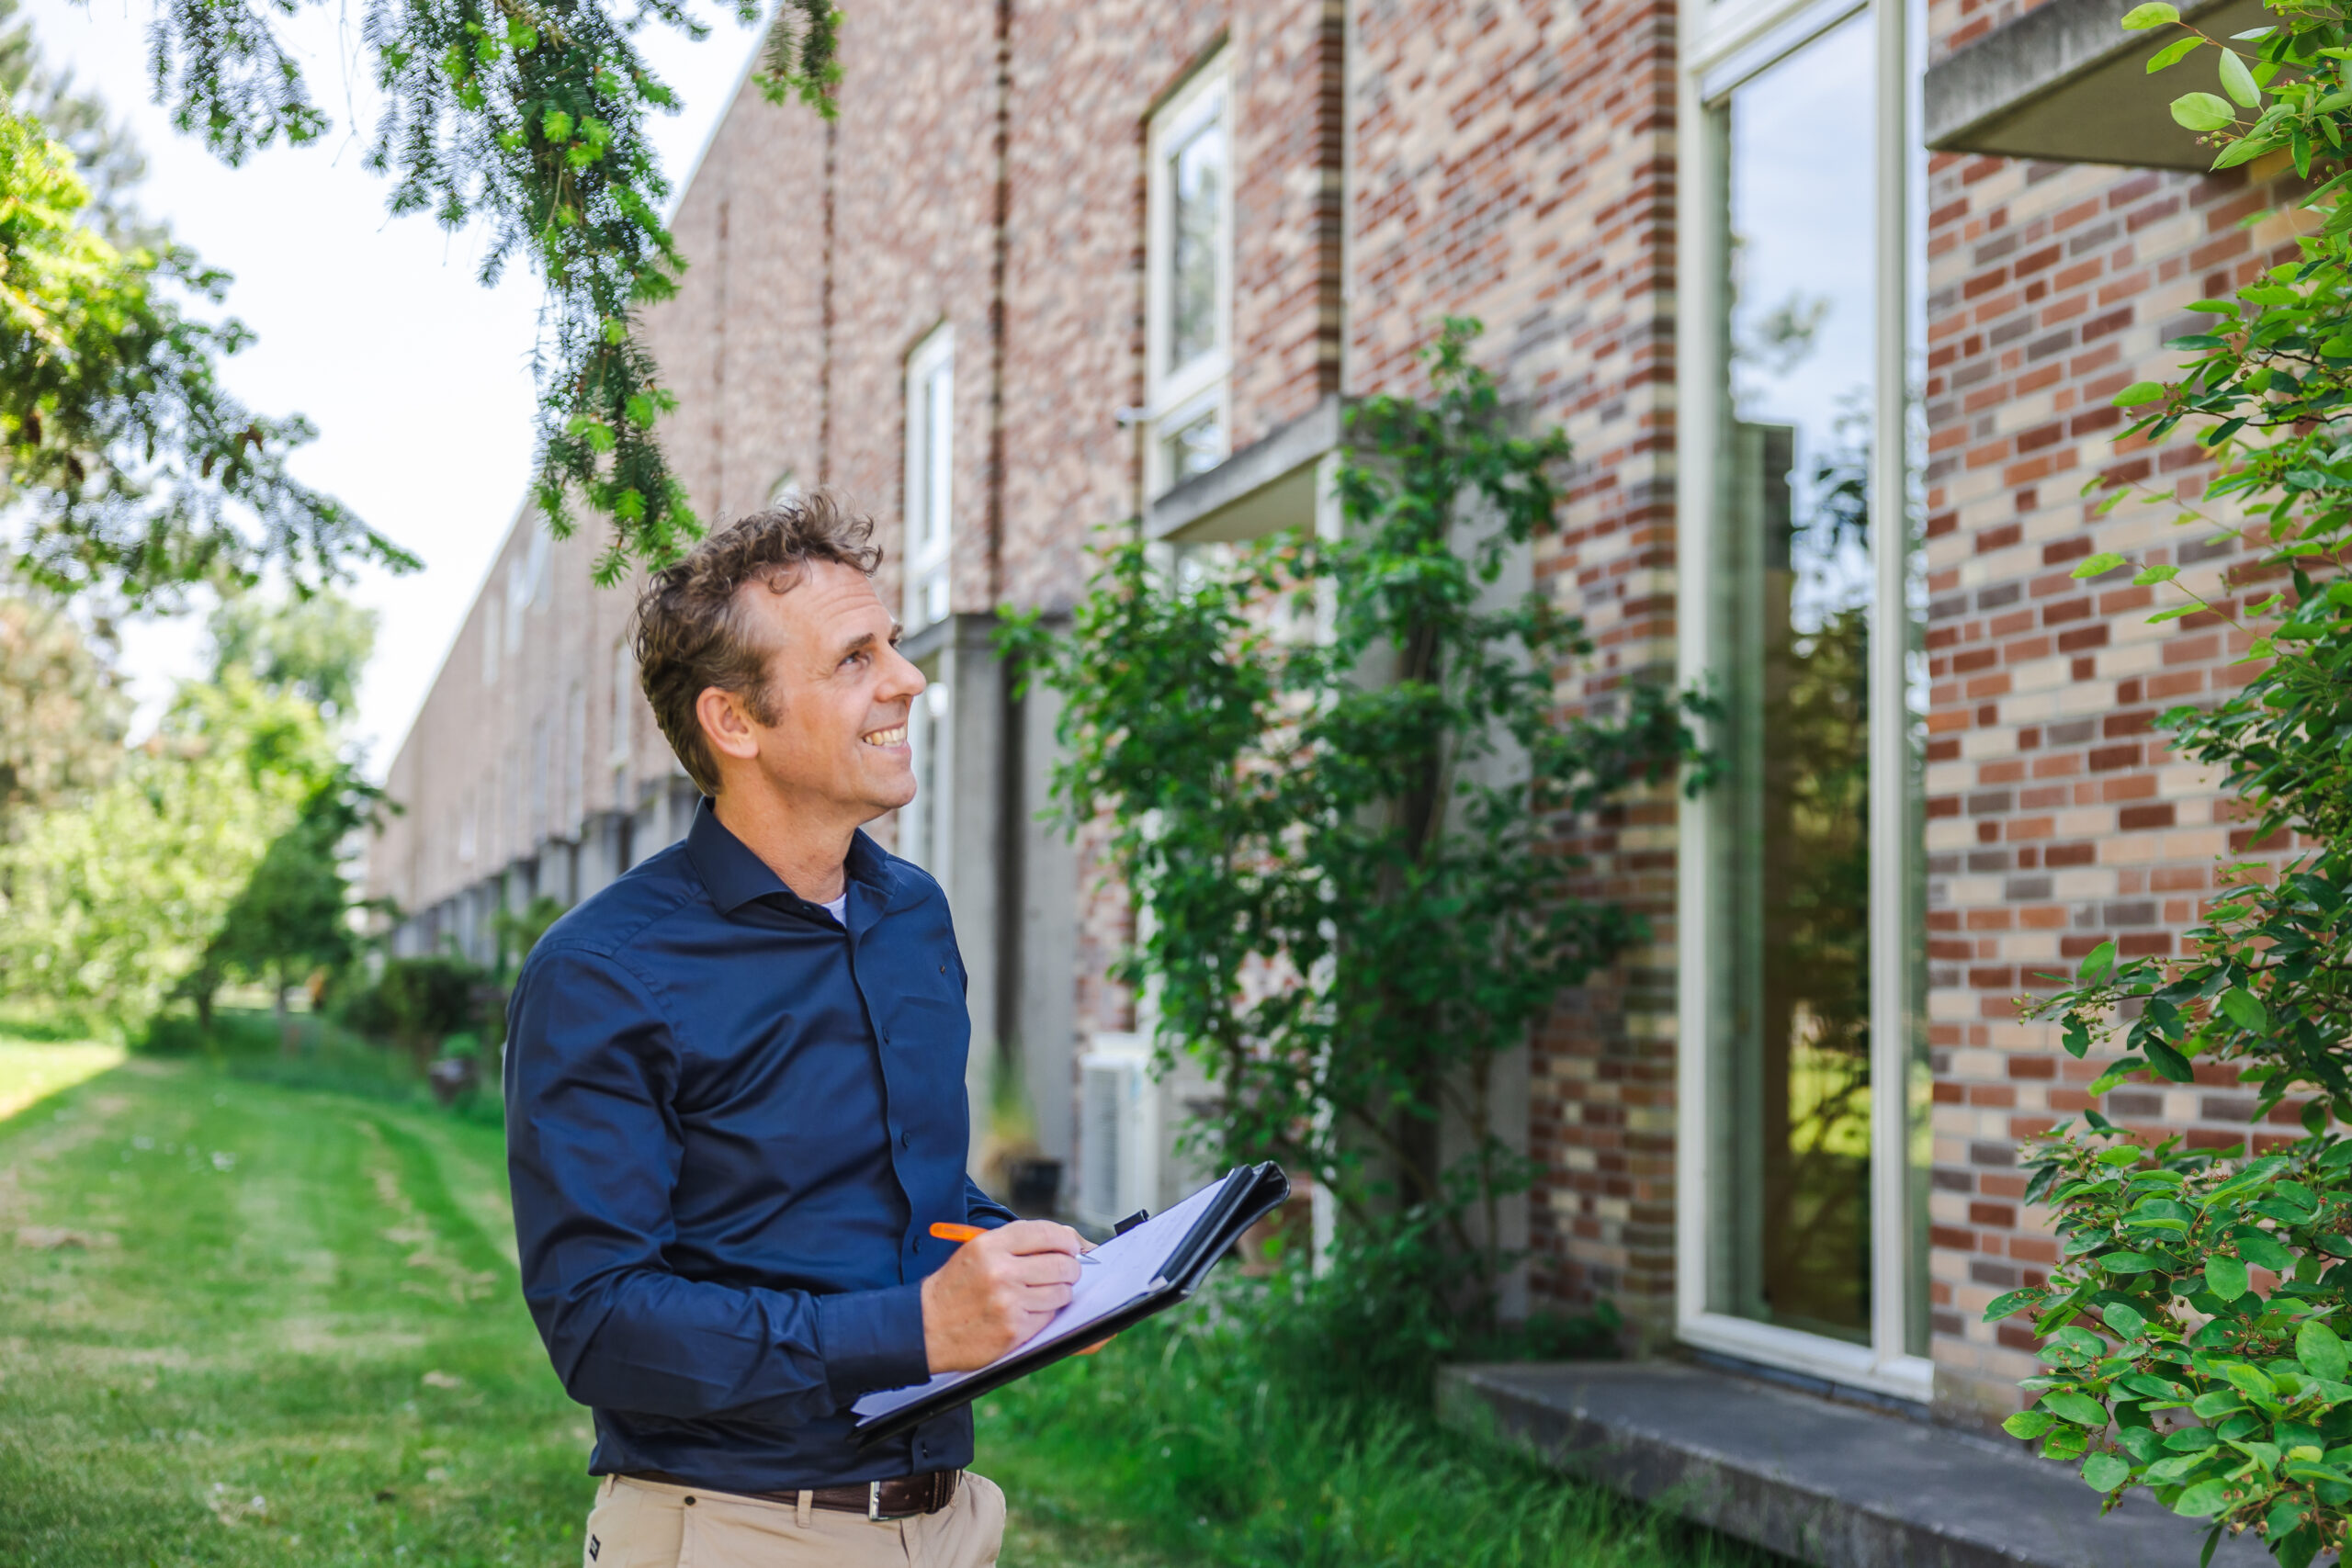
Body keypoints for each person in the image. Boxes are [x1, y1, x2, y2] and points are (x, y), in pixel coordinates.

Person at [503, 496, 1087, 1568]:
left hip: (950, 1524)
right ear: (737, 723)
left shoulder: (912, 915)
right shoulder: (602, 971)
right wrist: (912, 1332)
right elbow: (598, 1323)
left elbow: (903, 1192)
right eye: (855, 658)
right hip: (733, 1530)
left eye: (895, 647)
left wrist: (1046, 1268)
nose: (907, 681)